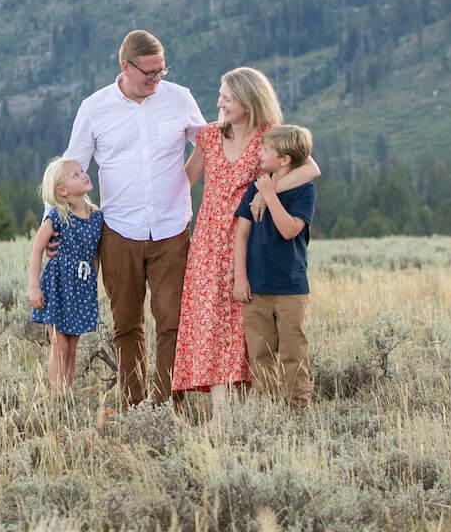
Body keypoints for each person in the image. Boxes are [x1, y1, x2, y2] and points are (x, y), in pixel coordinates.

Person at [61, 30, 204, 407]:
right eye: (150, 73)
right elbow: (71, 165)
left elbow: (208, 146)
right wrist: (58, 221)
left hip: (173, 230)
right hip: (118, 232)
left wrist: (182, 183)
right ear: (125, 67)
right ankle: (133, 405)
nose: (158, 79)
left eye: (162, 70)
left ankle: (168, 405)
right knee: (126, 324)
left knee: (171, 322)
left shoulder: (180, 98)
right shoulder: (94, 107)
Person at [170, 68, 319, 398]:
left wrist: (268, 193)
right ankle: (220, 405)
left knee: (244, 324)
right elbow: (184, 179)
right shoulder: (209, 136)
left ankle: (253, 401)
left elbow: (310, 168)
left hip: (249, 239)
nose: (219, 102)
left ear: (249, 100)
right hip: (209, 240)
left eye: (227, 97)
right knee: (209, 321)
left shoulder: (271, 137)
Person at [232, 123, 317, 409]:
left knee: (294, 350)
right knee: (260, 351)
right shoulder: (254, 188)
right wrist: (240, 279)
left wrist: (269, 195)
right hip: (256, 286)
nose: (260, 152)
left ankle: (298, 407)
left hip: (290, 287)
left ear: (285, 160)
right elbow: (241, 235)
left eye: (266, 149)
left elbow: (289, 229)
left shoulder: (304, 191)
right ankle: (266, 409)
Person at [27, 157, 104, 391]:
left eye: (82, 171)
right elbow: (37, 249)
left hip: (81, 287)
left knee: (72, 345)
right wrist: (34, 287)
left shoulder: (97, 217)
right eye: (75, 175)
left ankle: (66, 392)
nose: (84, 175)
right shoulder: (57, 217)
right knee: (59, 343)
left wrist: (93, 283)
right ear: (61, 190)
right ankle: (56, 397)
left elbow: (95, 256)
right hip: (59, 285)